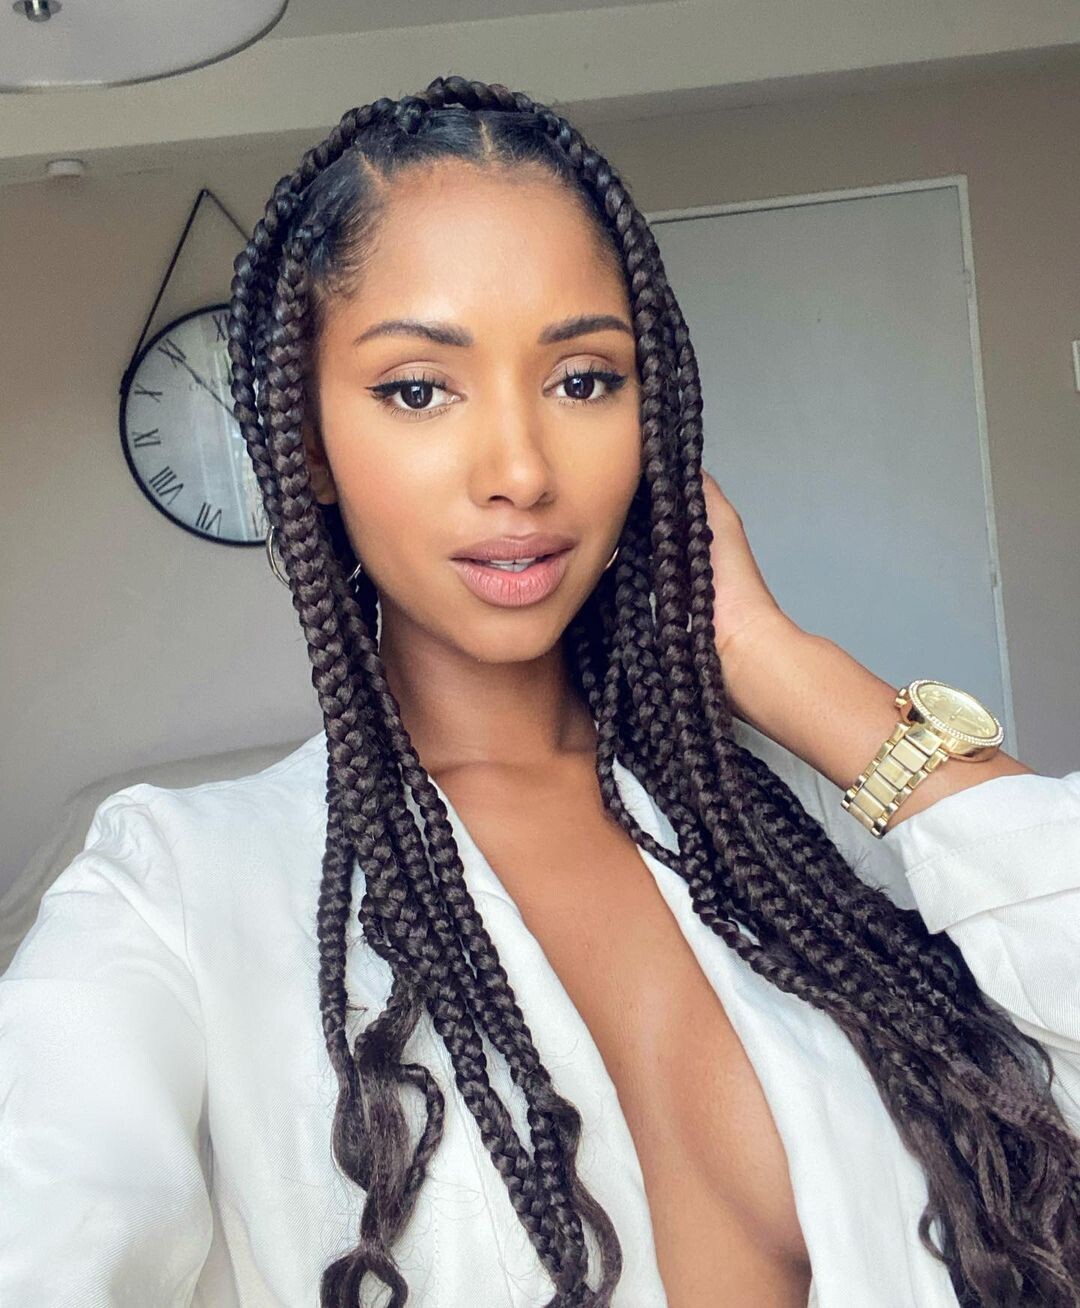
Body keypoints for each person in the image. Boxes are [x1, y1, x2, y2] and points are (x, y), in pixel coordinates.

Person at [3, 73, 1080, 1308]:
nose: (519, 469)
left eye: (583, 380)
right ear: (307, 443)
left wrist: (781, 661)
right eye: (418, 388)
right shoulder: (177, 895)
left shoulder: (802, 830)